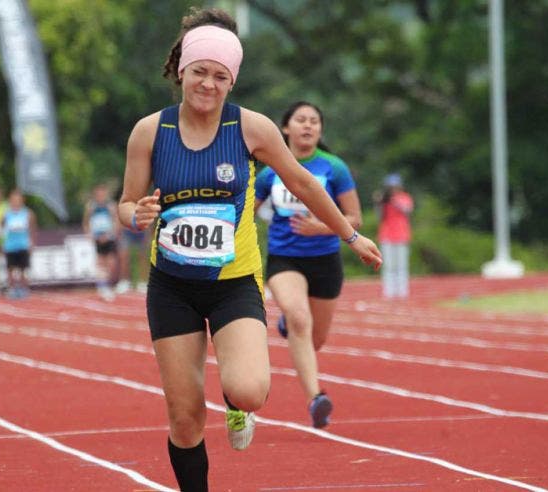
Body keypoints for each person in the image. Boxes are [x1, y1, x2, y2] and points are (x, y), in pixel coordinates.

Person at [117, 8, 382, 491]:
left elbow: (302, 183)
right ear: (182, 70)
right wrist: (134, 216)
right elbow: (127, 202)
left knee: (250, 390)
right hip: (172, 287)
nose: (208, 84)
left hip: (234, 283)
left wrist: (350, 235)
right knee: (185, 419)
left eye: (221, 76)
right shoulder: (150, 132)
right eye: (200, 72)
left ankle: (237, 410)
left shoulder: (252, 129)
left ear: (232, 82)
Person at [253, 101, 362, 428]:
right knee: (300, 318)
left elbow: (355, 217)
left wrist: (324, 225)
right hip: (285, 258)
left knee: (314, 339)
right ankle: (316, 398)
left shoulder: (334, 168)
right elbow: (245, 213)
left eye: (314, 121)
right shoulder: (270, 171)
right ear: (285, 128)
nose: (308, 126)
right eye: (301, 120)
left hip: (325, 260)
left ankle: (291, 327)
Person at [377, 173, 414, 298]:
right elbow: (379, 216)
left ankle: (402, 292)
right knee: (388, 266)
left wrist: (394, 200)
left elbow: (407, 209)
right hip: (386, 235)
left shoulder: (405, 197)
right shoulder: (384, 200)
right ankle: (389, 292)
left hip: (402, 235)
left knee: (401, 265)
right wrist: (380, 202)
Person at [83, 183, 121, 301]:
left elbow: (116, 220)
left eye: (102, 193)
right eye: (98, 193)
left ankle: (109, 283)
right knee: (100, 262)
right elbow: (86, 222)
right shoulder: (91, 206)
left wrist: (112, 234)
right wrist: (90, 234)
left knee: (111, 262)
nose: (100, 195)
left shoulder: (111, 206)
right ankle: (103, 286)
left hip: (108, 237)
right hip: (97, 237)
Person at [2, 189, 37, 299]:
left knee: (23, 269)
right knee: (10, 269)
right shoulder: (6, 214)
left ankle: (24, 289)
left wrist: (32, 243)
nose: (16, 201)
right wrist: (1, 242)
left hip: (23, 244)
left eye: (18, 199)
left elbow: (32, 229)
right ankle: (12, 289)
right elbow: (2, 228)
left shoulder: (28, 213)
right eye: (13, 199)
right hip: (10, 245)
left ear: (22, 200)